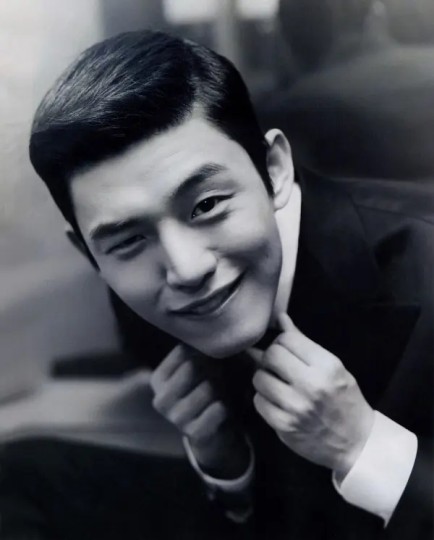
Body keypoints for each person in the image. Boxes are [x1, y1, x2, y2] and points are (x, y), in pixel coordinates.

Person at [26, 30, 432, 539]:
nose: (186, 269)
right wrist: (228, 468)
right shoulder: (140, 306)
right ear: (88, 252)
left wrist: (362, 447)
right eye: (129, 240)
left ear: (274, 169)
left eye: (207, 205)